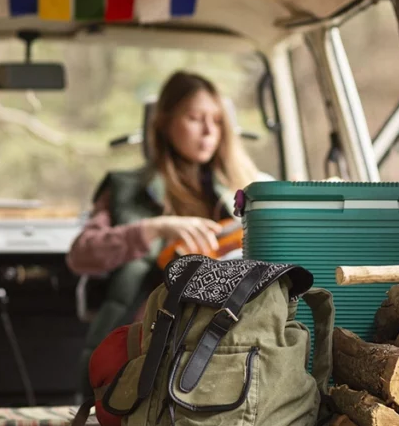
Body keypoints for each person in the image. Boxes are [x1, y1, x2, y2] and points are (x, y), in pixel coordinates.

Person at [66, 71, 266, 396]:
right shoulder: (126, 189)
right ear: (164, 123)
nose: (208, 132)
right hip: (148, 333)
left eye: (216, 121)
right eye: (194, 118)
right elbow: (81, 254)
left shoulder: (243, 188)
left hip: (232, 325)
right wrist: (155, 228)